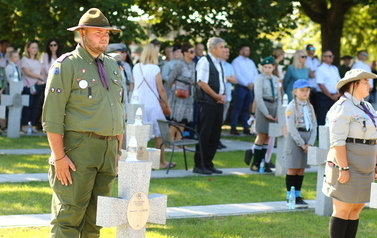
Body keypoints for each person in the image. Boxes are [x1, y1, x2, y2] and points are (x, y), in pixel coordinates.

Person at [42, 8, 125, 237]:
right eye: (98, 32)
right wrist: (59, 157)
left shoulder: (112, 66)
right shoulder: (66, 64)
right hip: (78, 149)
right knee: (68, 217)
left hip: (108, 151)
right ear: (82, 33)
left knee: (97, 220)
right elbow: (52, 116)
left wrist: (117, 152)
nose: (104, 36)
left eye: (106, 32)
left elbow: (119, 111)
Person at [322, 69, 377, 238]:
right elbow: (337, 141)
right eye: (366, 82)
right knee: (343, 209)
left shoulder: (366, 106)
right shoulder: (341, 107)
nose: (370, 85)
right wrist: (343, 168)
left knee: (356, 208)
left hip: (366, 163)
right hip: (347, 163)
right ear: (354, 84)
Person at [132, 43, 174, 169]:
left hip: (137, 102)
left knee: (139, 134)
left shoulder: (136, 67)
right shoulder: (155, 68)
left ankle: (139, 161)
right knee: (159, 134)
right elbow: (161, 89)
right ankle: (160, 162)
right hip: (152, 103)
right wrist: (167, 104)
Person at [193, 37, 226, 175]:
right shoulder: (204, 61)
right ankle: (199, 165)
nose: (224, 50)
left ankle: (208, 163)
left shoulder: (218, 62)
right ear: (213, 48)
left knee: (215, 134)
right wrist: (216, 96)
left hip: (217, 103)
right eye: (221, 47)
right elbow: (201, 82)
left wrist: (221, 96)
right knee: (205, 134)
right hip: (207, 103)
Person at [283, 79, 317, 208]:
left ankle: (298, 194)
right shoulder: (291, 107)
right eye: (302, 90)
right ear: (295, 92)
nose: (305, 93)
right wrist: (301, 143)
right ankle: (290, 195)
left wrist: (310, 143)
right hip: (295, 139)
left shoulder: (309, 106)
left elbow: (314, 125)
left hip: (307, 138)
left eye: (307, 90)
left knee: (301, 168)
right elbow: (291, 128)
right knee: (293, 167)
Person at [250, 57, 281, 172]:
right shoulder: (259, 79)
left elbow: (279, 97)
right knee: (261, 135)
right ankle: (255, 163)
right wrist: (266, 113)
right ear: (262, 67)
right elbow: (258, 97)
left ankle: (264, 162)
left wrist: (278, 113)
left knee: (269, 137)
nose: (267, 69)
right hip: (264, 107)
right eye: (265, 67)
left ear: (273, 67)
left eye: (270, 67)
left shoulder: (276, 79)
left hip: (274, 107)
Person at [167, 43, 196, 142]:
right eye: (191, 51)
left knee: (184, 120)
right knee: (176, 119)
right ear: (185, 53)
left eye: (194, 51)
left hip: (189, 95)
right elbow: (170, 79)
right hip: (179, 95)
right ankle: (170, 140)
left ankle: (178, 140)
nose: (194, 53)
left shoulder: (194, 65)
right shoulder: (179, 64)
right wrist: (176, 89)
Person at [230, 45, 258, 135]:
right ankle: (233, 127)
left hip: (250, 88)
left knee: (246, 108)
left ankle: (246, 127)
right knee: (237, 107)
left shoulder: (251, 62)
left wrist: (252, 83)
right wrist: (246, 84)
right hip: (241, 87)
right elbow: (237, 74)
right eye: (246, 50)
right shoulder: (236, 61)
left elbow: (255, 73)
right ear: (241, 51)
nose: (248, 52)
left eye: (248, 50)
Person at [20, 40, 45, 133]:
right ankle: (24, 125)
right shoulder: (24, 59)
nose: (35, 49)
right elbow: (27, 72)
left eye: (36, 47)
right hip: (28, 86)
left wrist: (40, 79)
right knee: (28, 106)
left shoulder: (38, 60)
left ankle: (33, 125)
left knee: (36, 106)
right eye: (33, 47)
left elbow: (42, 71)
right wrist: (39, 76)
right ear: (28, 49)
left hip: (38, 86)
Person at [315, 50, 340, 125]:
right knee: (322, 117)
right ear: (323, 58)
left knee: (335, 116)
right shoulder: (320, 69)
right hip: (323, 97)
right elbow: (321, 84)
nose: (331, 58)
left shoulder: (334, 68)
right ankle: (321, 135)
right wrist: (330, 96)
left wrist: (338, 94)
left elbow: (339, 82)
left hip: (335, 95)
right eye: (329, 56)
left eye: (332, 56)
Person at [220, 46, 237, 149]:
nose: (227, 54)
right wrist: (228, 78)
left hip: (227, 97)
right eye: (225, 52)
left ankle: (218, 139)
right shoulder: (217, 64)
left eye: (228, 52)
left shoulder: (229, 66)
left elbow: (235, 81)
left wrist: (226, 78)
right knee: (216, 120)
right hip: (218, 96)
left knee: (222, 119)